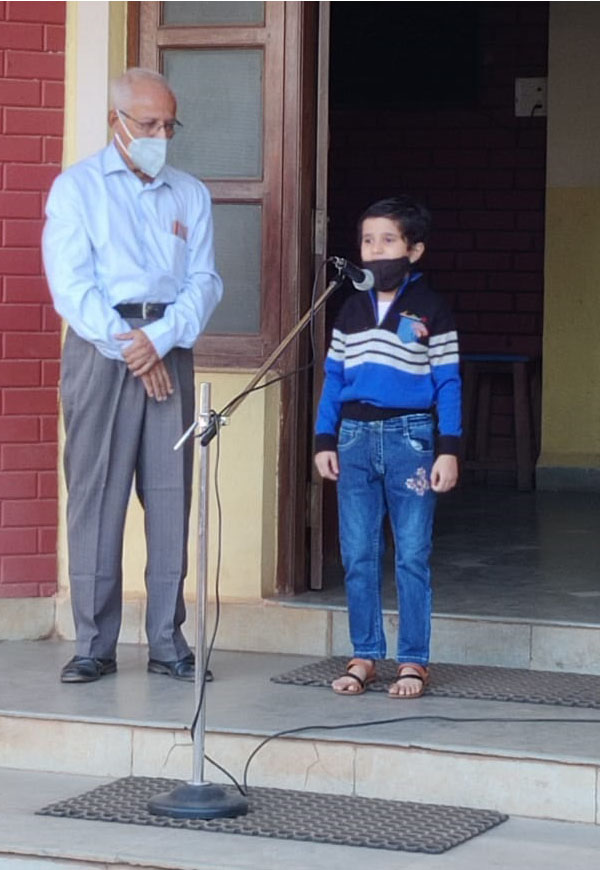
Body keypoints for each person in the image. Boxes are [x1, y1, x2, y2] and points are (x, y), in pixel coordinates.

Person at [42, 68, 223, 684]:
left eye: (169, 124)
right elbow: (72, 286)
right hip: (102, 349)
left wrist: (160, 340)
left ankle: (168, 641)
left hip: (168, 345)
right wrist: (131, 348)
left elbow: (204, 281)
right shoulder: (77, 190)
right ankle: (94, 642)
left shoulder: (189, 193)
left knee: (170, 495)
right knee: (97, 494)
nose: (160, 135)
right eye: (148, 124)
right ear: (116, 122)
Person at [314, 196, 461, 699]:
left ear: (414, 250)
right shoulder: (350, 308)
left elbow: (448, 381)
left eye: (388, 240)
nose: (376, 250)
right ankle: (365, 654)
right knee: (357, 553)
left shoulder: (432, 309)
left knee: (413, 555)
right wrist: (323, 438)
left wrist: (449, 448)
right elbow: (333, 377)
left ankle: (414, 660)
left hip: (412, 439)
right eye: (367, 240)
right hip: (353, 440)